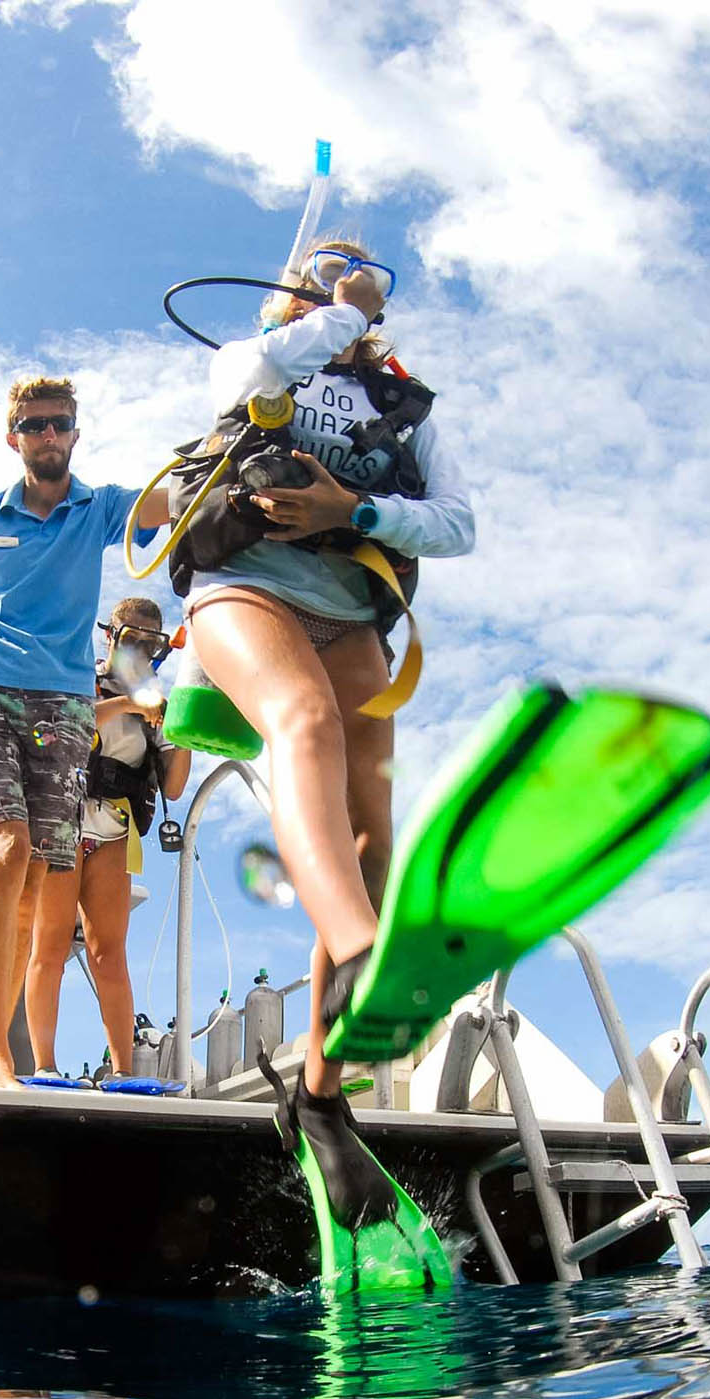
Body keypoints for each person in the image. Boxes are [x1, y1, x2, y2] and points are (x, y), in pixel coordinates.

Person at [180, 243, 473, 1107]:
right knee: (301, 720)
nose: (340, 278)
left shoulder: (408, 408)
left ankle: (321, 1096)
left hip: (349, 610)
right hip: (245, 583)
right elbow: (264, 365)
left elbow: (457, 524)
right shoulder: (256, 359)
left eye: (357, 274)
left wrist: (356, 511)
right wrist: (338, 307)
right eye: (321, 268)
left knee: (372, 839)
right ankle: (361, 953)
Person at [0, 378, 169, 1089]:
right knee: (7, 848)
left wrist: (238, 455)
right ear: (12, 436)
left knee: (38, 873)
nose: (48, 435)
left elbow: (175, 502)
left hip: (65, 705)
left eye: (60, 424)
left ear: (76, 433)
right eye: (34, 424)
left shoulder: (98, 509)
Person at [23, 597, 192, 1078]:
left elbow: (175, 786)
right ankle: (46, 1066)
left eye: (150, 643)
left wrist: (185, 729)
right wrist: (129, 702)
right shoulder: (80, 677)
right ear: (110, 637)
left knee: (108, 950)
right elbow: (62, 730)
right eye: (130, 638)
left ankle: (122, 1070)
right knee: (51, 943)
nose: (139, 650)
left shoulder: (158, 704)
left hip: (113, 831)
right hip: (63, 820)